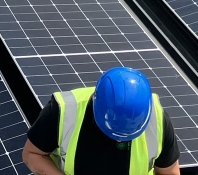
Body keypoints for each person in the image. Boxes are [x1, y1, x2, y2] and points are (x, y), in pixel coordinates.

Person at [22, 67, 180, 175]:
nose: (118, 140)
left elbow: (169, 171)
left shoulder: (157, 119)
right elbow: (32, 154)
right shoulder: (63, 111)